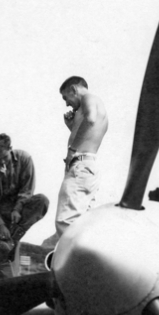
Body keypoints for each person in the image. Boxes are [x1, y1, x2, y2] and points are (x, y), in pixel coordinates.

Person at [0, 133, 49, 279]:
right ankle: (8, 294)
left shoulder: (25, 159)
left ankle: (13, 238)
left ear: (10, 149)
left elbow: (27, 189)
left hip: (21, 207)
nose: (1, 163)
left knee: (42, 201)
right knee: (3, 256)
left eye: (4, 158)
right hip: (1, 213)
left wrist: (18, 208)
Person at [55, 76, 108, 238]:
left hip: (80, 166)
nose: (66, 103)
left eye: (66, 97)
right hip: (88, 167)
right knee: (84, 223)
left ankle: (75, 262)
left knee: (66, 221)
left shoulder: (88, 98)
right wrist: (72, 127)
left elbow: (90, 119)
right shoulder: (95, 104)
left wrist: (72, 149)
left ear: (74, 90)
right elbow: (90, 131)